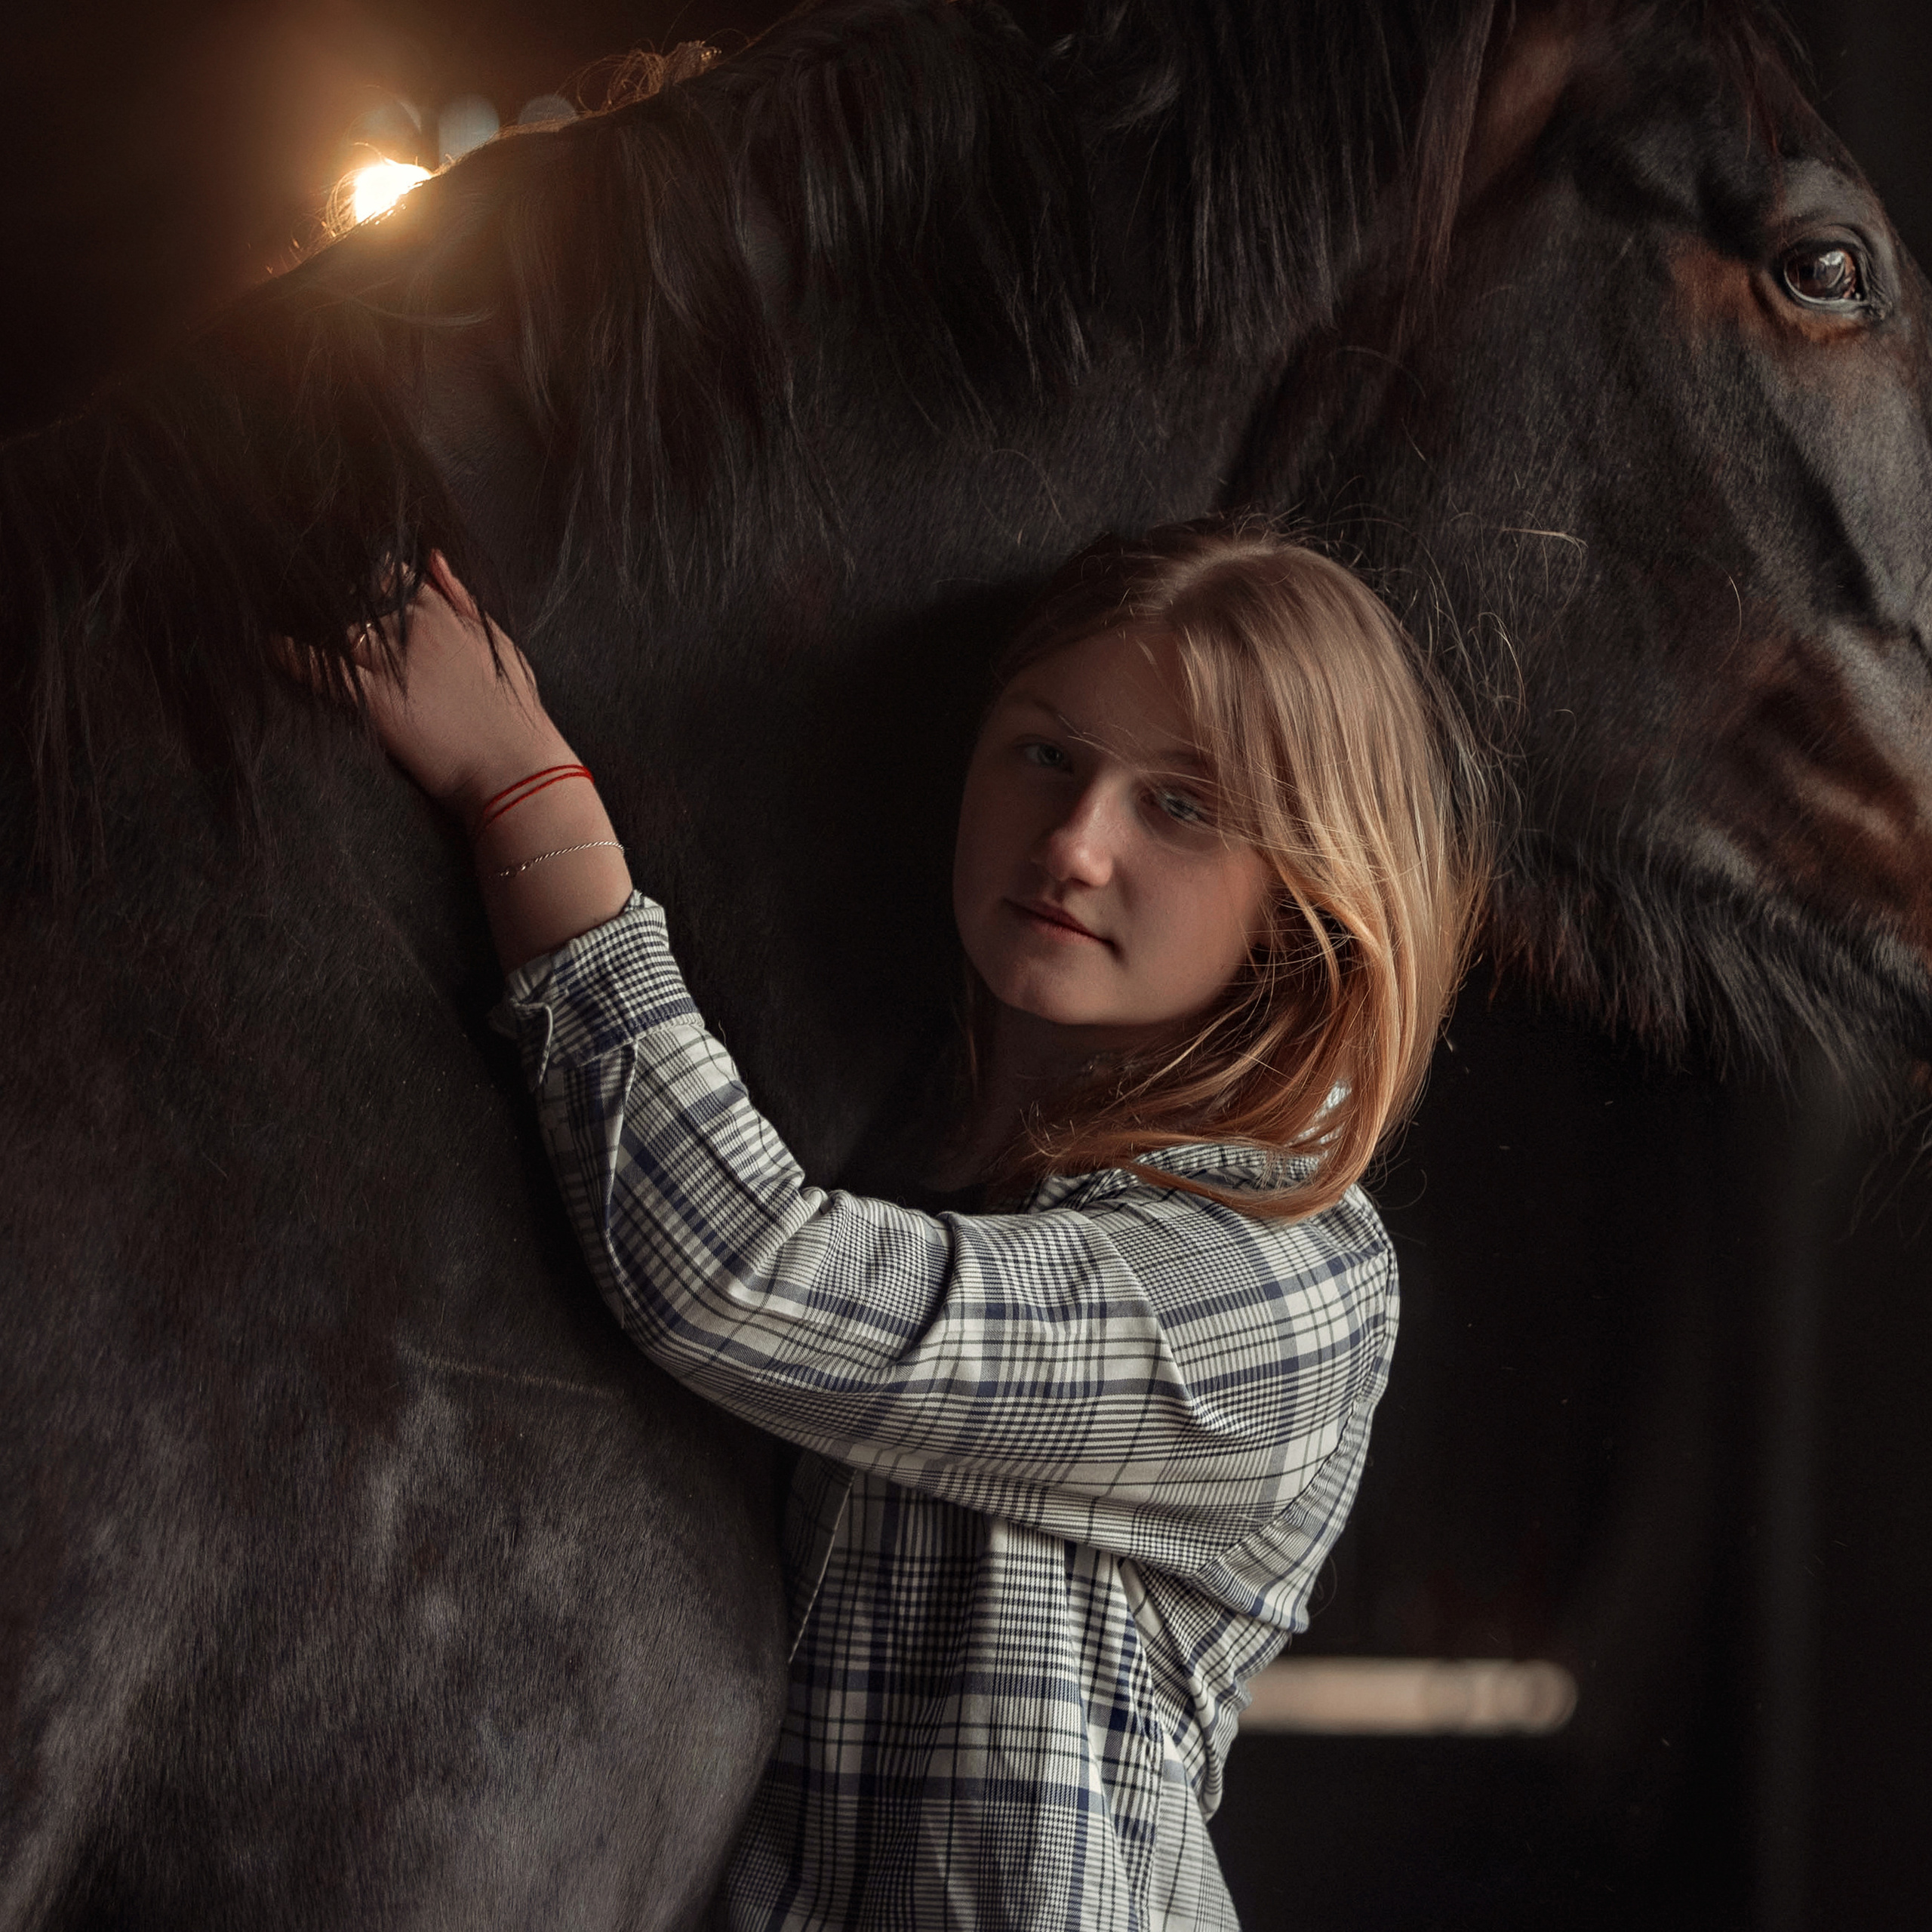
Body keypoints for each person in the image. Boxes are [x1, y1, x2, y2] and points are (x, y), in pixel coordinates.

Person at [339, 518, 1484, 1930]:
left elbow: (753, 1277)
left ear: (1304, 901)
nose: (1074, 844)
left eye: (1182, 807)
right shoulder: (919, 1155)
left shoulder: (1283, 1283)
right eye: (1046, 754)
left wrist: (524, 795)